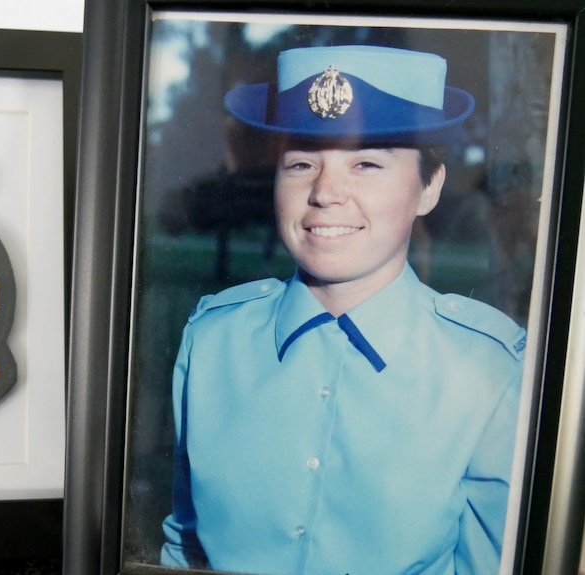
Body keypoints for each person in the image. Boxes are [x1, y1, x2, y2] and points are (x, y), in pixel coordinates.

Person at [160, 45, 526, 575]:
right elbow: (185, 545)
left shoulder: (489, 371)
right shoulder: (212, 339)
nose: (326, 192)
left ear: (429, 187)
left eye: (367, 163)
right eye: (302, 163)